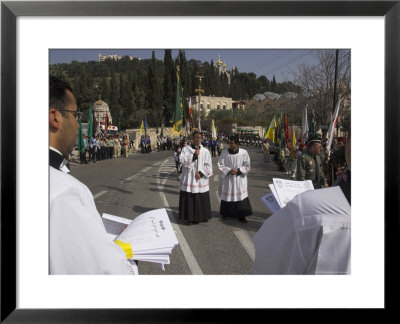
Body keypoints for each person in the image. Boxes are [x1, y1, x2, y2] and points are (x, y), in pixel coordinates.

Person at [49, 75, 135, 274]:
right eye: (74, 115)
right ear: (55, 118)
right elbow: (105, 272)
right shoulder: (64, 191)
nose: (78, 125)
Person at [178, 131, 213, 225]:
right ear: (192, 138)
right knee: (189, 198)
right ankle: (189, 218)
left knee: (200, 197)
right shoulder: (186, 149)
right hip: (189, 178)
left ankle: (201, 217)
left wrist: (201, 173)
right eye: (196, 137)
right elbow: (181, 161)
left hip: (200, 179)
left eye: (200, 137)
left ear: (202, 139)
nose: (198, 139)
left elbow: (209, 166)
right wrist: (193, 156)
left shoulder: (205, 151)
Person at [218, 135, 252, 223]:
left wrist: (238, 170)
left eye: (232, 143)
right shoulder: (224, 153)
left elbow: (247, 165)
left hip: (239, 179)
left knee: (240, 196)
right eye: (229, 142)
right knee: (227, 195)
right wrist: (228, 170)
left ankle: (241, 215)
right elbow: (220, 164)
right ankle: (226, 213)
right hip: (228, 178)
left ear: (237, 144)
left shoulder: (243, 153)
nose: (230, 144)